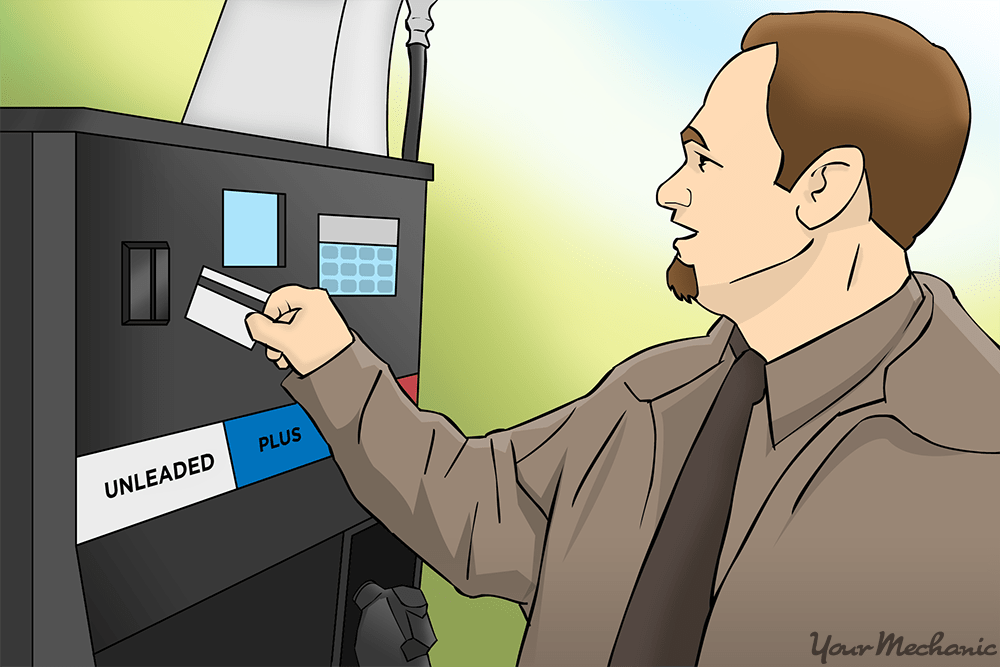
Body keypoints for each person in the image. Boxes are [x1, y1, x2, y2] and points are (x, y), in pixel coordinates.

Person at [246, 11, 999, 667]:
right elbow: (479, 507)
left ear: (824, 189)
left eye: (705, 159)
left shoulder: (973, 464)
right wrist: (334, 364)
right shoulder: (656, 396)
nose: (672, 190)